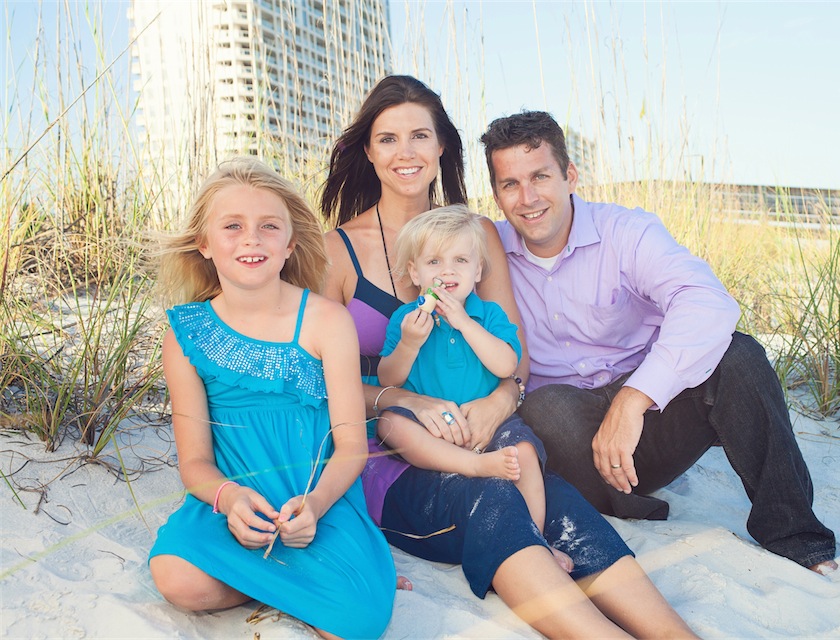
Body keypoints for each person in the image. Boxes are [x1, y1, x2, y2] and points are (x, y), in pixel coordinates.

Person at [321, 75, 697, 638]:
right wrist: (404, 398)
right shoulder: (335, 249)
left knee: (544, 486)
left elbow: (513, 357)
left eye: (420, 136)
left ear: (443, 145)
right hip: (384, 452)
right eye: (388, 139)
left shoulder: (477, 236)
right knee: (488, 495)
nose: (406, 153)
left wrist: (499, 403)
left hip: (478, 425)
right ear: (368, 151)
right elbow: (320, 378)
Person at [480, 110, 838, 574]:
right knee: (546, 407)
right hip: (569, 433)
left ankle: (795, 535)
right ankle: (630, 510)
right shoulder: (488, 256)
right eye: (510, 184)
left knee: (739, 355)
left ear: (569, 176)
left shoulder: (625, 231)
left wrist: (634, 399)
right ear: (496, 193)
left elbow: (707, 301)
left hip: (650, 417)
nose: (527, 198)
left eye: (540, 177)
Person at [149, 158, 396, 638]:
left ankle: (293, 575)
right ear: (204, 243)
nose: (251, 239)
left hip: (319, 501)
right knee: (176, 579)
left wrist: (317, 505)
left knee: (360, 622)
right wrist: (231, 497)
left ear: (290, 244)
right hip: (237, 505)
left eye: (268, 227)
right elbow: (195, 462)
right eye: (232, 226)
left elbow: (350, 448)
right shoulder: (185, 334)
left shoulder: (327, 322)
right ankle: (280, 584)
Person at [377, 205, 564, 566]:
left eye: (460, 260)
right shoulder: (406, 319)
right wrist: (409, 343)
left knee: (524, 453)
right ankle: (475, 466)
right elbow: (389, 380)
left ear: (478, 270)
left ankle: (535, 540)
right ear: (414, 273)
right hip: (430, 428)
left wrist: (464, 322)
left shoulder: (489, 314)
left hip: (485, 425)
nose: (447, 270)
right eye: (433, 262)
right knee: (390, 424)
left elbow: (507, 365)